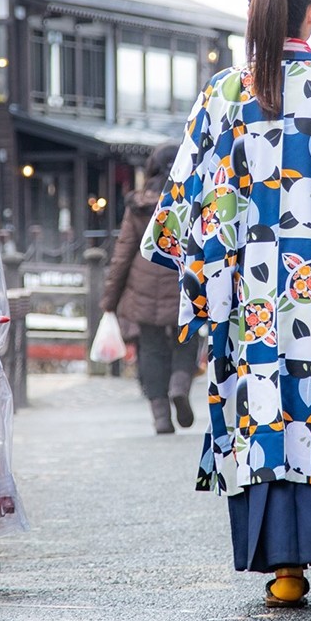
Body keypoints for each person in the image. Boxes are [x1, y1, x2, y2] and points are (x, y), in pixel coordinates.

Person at [143, 0, 311, 608]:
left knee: (261, 423)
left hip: (246, 308)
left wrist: (209, 285)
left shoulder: (222, 96)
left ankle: (282, 566)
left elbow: (177, 220)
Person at [100, 142, 199, 434]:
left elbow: (123, 254)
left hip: (143, 286)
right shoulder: (190, 197)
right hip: (181, 283)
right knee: (187, 340)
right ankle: (179, 386)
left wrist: (110, 298)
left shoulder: (139, 204)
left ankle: (160, 416)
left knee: (151, 348)